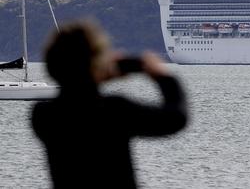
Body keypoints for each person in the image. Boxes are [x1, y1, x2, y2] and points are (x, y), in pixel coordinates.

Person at [31, 21, 188, 188]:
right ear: (96, 65)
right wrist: (163, 77)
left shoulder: (42, 115)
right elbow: (176, 118)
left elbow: (77, 96)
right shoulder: (116, 110)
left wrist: (94, 76)